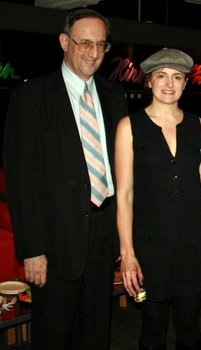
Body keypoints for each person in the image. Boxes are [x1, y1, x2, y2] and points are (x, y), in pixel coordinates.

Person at [3, 8, 128, 350]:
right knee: (54, 335)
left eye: (101, 45)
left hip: (103, 238)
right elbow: (21, 180)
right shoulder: (30, 98)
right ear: (64, 42)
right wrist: (32, 250)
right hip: (55, 243)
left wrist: (124, 239)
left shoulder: (115, 96)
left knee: (96, 331)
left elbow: (121, 169)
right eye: (84, 42)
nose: (93, 52)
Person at [115, 48, 201, 350]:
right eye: (161, 76)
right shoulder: (129, 126)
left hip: (193, 244)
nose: (169, 83)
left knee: (190, 330)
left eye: (177, 77)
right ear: (149, 82)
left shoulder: (199, 125)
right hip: (150, 246)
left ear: (185, 84)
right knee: (152, 330)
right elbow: (125, 196)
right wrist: (127, 253)